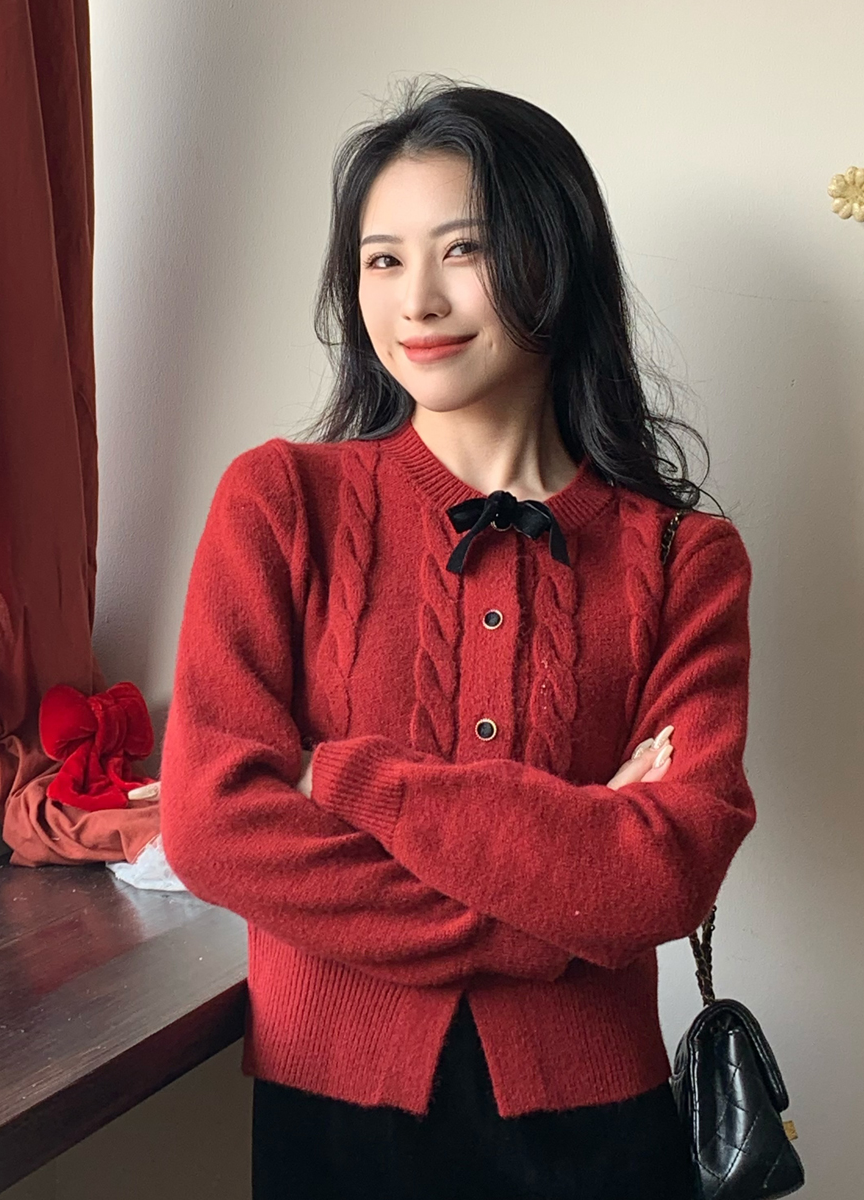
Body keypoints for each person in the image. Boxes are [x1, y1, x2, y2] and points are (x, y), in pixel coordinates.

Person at [159, 75, 756, 1200]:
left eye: (464, 250)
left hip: (598, 1129)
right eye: (382, 260)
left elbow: (667, 872)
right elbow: (213, 824)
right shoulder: (280, 503)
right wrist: (563, 898)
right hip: (335, 1121)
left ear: (554, 259)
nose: (417, 301)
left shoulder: (686, 558)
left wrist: (344, 778)